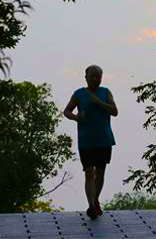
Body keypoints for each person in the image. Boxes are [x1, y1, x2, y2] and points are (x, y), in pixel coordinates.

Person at [62, 64, 118, 219]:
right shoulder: (79, 94)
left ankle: (95, 200)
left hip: (104, 139)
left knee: (100, 172)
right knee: (89, 173)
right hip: (86, 140)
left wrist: (98, 102)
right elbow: (67, 111)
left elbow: (115, 112)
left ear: (101, 77)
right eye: (92, 76)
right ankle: (92, 206)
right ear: (86, 77)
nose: (95, 79)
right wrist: (76, 117)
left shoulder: (105, 92)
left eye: (98, 76)